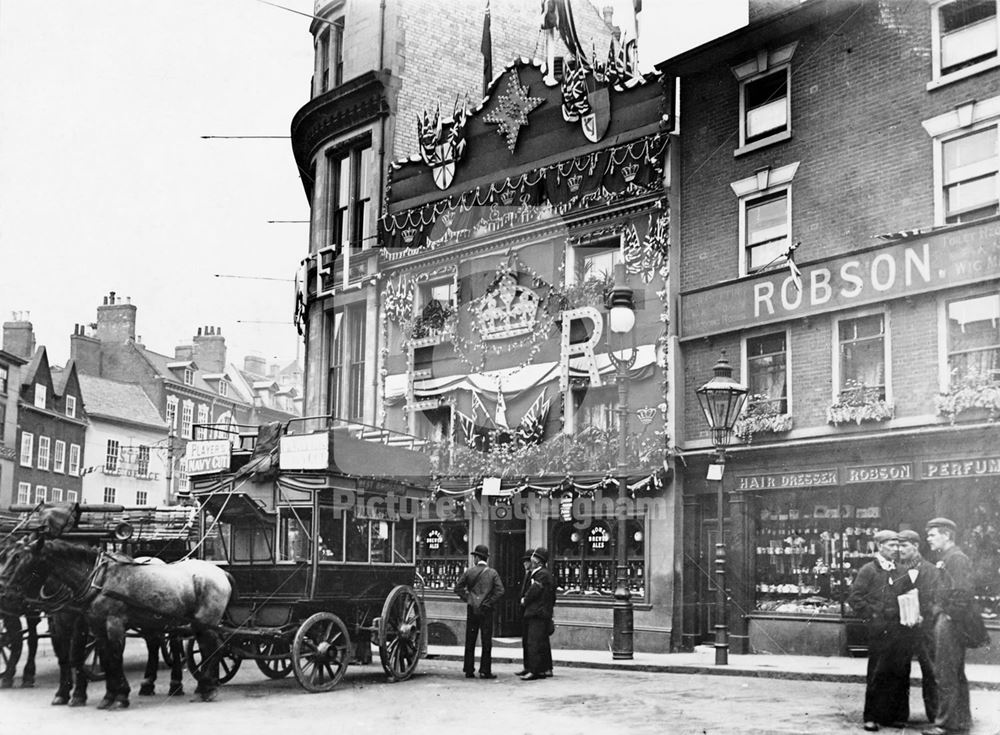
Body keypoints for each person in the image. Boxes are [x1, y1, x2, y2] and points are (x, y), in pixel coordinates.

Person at [847, 529, 914, 732]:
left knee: (899, 673)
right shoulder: (868, 570)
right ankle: (871, 717)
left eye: (898, 545)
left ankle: (894, 716)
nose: (896, 549)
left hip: (900, 630)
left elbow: (909, 594)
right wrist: (873, 617)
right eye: (891, 545)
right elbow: (855, 598)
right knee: (878, 673)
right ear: (879, 546)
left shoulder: (901, 570)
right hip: (880, 631)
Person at [923, 518, 973, 735]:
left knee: (945, 672)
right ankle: (961, 720)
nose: (929, 539)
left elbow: (962, 591)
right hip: (949, 618)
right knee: (955, 671)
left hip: (949, 620)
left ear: (947, 535)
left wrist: (949, 615)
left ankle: (944, 724)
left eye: (933, 535)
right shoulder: (951, 557)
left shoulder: (955, 559)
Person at [897, 529, 939, 724]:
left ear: (916, 546)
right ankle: (898, 716)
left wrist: (925, 614)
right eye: (897, 545)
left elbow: (937, 598)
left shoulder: (931, 570)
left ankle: (935, 715)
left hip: (925, 630)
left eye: (904, 545)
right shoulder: (895, 569)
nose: (900, 549)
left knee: (931, 672)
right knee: (899, 671)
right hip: (901, 630)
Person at [454, 544, 505, 680]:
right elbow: (500, 591)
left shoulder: (469, 572)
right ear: (486, 558)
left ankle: (469, 670)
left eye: (474, 557)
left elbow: (458, 588)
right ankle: (485, 671)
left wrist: (468, 598)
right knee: (486, 641)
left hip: (472, 609)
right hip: (486, 611)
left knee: (470, 640)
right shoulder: (492, 573)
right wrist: (488, 602)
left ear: (477, 557)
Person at [520, 546, 554, 681]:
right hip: (541, 612)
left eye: (534, 557)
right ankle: (544, 669)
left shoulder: (542, 574)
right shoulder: (541, 573)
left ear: (539, 561)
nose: (531, 559)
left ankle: (534, 670)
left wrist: (524, 600)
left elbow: (535, 590)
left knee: (533, 642)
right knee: (541, 642)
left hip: (537, 612)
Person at [514, 549, 533, 677]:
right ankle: (527, 666)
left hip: (530, 610)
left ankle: (531, 667)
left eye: (527, 561)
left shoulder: (533, 575)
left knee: (530, 641)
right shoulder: (527, 574)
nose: (524, 564)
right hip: (524, 611)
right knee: (525, 641)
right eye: (524, 561)